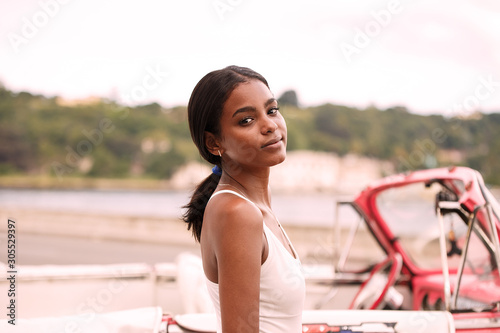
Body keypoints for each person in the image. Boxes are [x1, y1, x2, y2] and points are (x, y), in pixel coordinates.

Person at [183, 65, 305, 332]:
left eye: (272, 110)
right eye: (246, 120)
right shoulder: (236, 212)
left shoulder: (255, 203)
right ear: (214, 143)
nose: (270, 125)